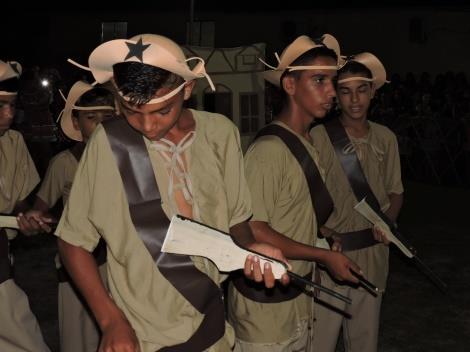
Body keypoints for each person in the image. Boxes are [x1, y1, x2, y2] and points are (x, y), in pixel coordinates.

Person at [55, 34, 286, 352]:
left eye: (162, 111)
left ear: (188, 89)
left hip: (212, 325)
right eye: (132, 112)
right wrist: (110, 321)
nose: (147, 126)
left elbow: (237, 222)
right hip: (142, 334)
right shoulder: (110, 144)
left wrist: (252, 249)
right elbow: (72, 241)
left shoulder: (221, 134)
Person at [227, 34, 362, 352]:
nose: (331, 92)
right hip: (265, 312)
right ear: (289, 85)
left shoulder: (306, 142)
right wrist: (323, 255)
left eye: (332, 81)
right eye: (319, 80)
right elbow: (254, 228)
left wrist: (320, 232)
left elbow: (286, 211)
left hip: (296, 298)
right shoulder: (269, 151)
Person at [310, 53, 404, 352]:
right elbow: (307, 196)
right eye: (346, 91)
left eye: (362, 90)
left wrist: (387, 221)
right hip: (331, 255)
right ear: (336, 95)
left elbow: (395, 192)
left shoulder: (386, 138)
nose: (354, 100)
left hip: (373, 255)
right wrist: (321, 233)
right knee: (320, 342)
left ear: (372, 92)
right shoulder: (319, 137)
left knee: (365, 343)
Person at [26, 81, 115, 352]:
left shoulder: (127, 158)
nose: (100, 125)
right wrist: (34, 220)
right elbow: (39, 209)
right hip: (75, 267)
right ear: (76, 123)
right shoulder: (64, 164)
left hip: (117, 265)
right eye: (91, 117)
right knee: (79, 340)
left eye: (107, 117)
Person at [0, 59, 51, 352]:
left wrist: (25, 218)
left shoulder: (14, 142)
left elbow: (19, 201)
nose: (9, 114)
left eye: (12, 105)